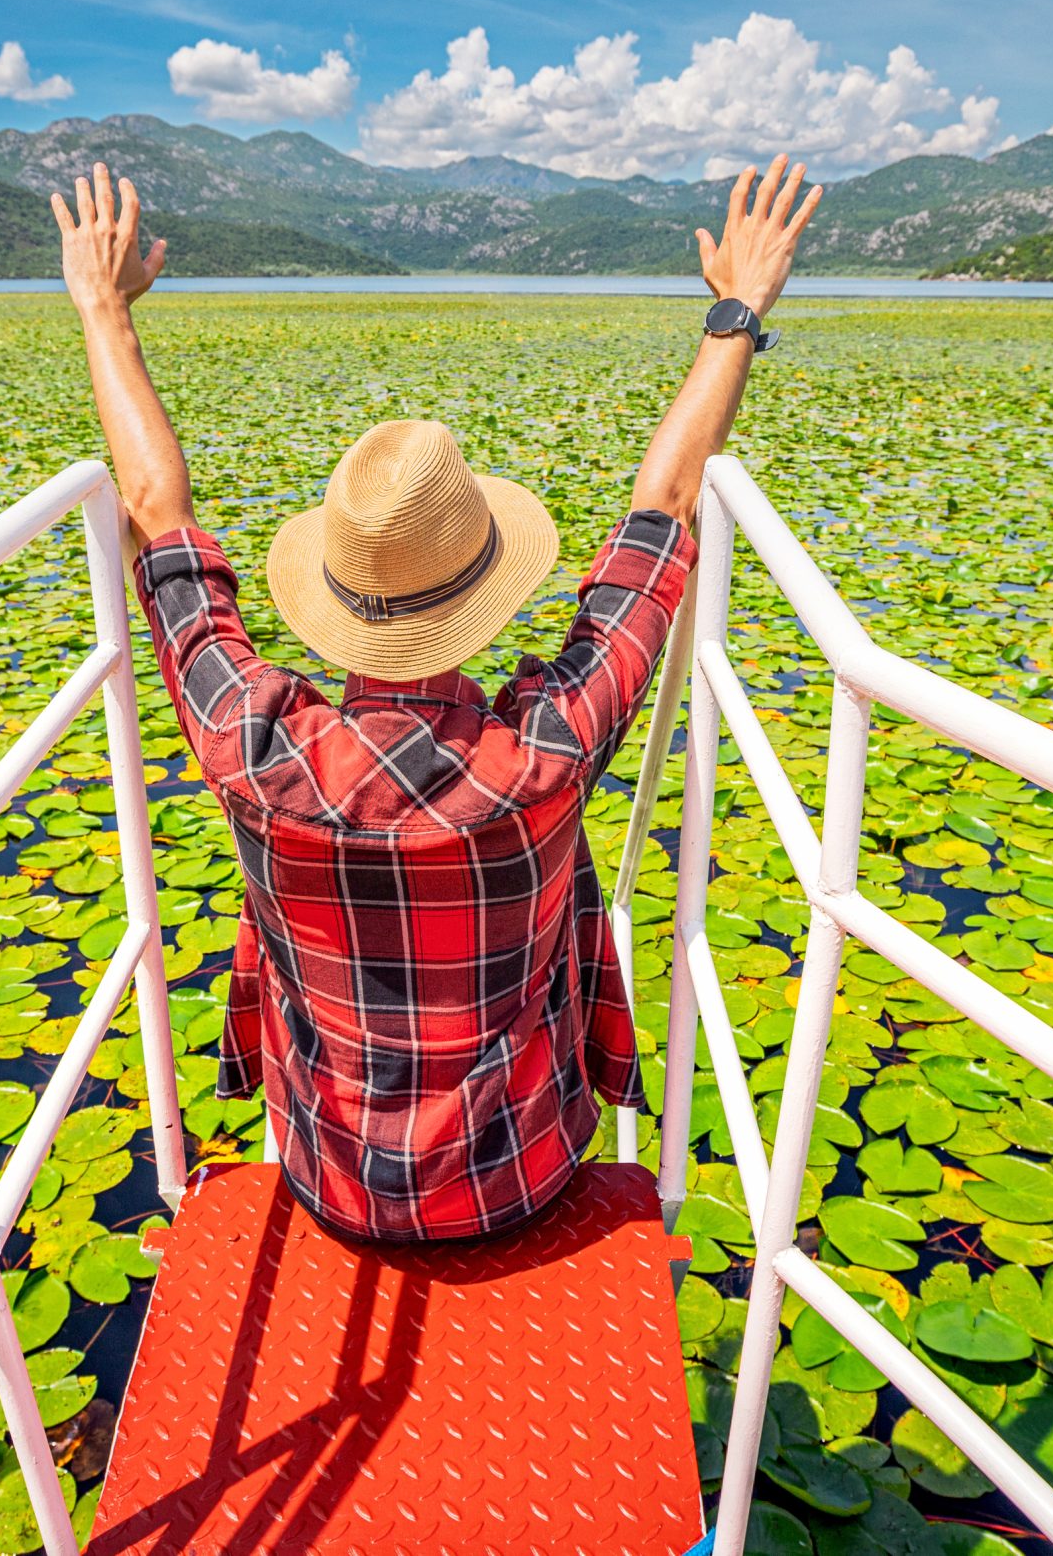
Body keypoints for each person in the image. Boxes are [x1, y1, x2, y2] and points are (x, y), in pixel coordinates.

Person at [52, 155, 824, 1243]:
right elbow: (667, 510)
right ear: (486, 588)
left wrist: (104, 308)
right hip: (524, 1180)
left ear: (332, 587)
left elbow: (152, 509)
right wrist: (736, 312)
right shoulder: (548, 746)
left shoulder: (251, 743)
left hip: (330, 1187)